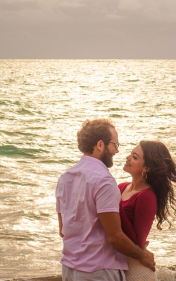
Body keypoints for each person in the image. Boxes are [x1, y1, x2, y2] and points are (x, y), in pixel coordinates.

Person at [56, 119, 155, 281]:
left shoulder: (64, 178)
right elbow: (114, 236)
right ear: (100, 145)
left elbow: (63, 230)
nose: (117, 151)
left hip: (69, 270)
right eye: (115, 145)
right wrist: (141, 255)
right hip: (98, 272)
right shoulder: (104, 181)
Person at [118, 140, 176, 281]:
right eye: (131, 154)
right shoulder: (121, 188)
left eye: (134, 157)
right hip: (118, 265)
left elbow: (137, 242)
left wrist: (115, 205)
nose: (128, 158)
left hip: (136, 272)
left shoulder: (147, 196)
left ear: (146, 168)